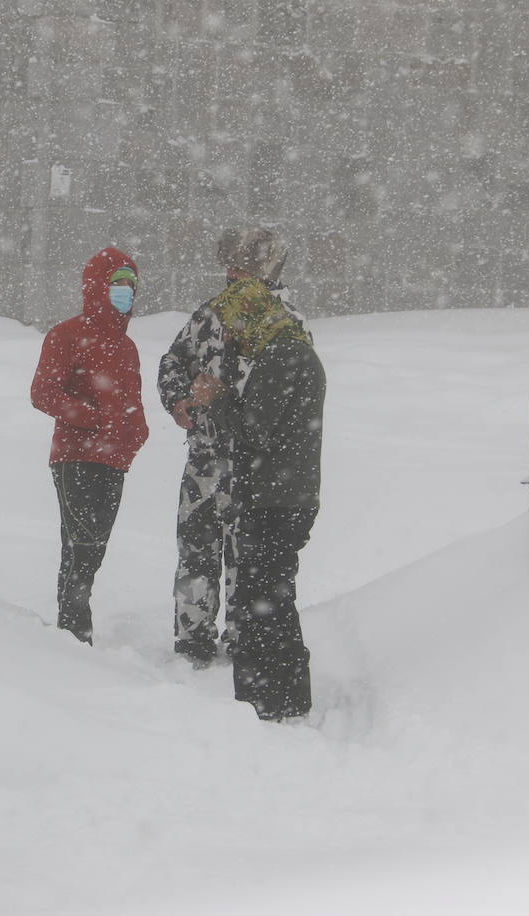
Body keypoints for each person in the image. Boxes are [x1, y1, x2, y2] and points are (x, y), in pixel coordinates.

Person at [156, 227, 304, 667]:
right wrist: (178, 399)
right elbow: (173, 361)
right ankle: (193, 639)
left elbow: (286, 398)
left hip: (256, 465)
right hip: (205, 458)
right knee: (196, 552)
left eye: (242, 267)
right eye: (229, 266)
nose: (232, 275)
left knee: (248, 558)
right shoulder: (210, 315)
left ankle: (244, 638)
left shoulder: (285, 324)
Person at [189, 275, 324, 721]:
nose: (232, 336)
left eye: (235, 324)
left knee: (261, 602)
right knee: (270, 597)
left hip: (275, 500)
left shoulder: (283, 354)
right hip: (284, 496)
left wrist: (213, 398)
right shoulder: (290, 349)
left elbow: (253, 429)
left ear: (253, 315)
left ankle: (266, 701)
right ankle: (282, 696)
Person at [30, 247, 149, 645]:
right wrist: (92, 420)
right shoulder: (66, 335)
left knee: (93, 545)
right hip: (75, 456)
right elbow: (43, 392)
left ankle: (73, 626)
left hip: (114, 461)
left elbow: (133, 401)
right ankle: (75, 628)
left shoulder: (127, 347)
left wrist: (135, 435)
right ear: (98, 287)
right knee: (83, 542)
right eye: (118, 284)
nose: (125, 293)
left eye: (131, 285)